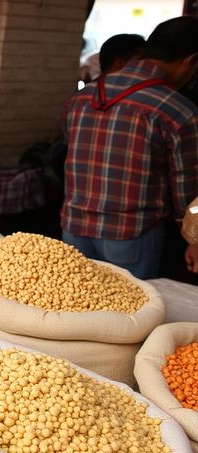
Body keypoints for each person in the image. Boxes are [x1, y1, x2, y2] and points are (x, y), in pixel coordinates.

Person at [62, 17, 198, 279]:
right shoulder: (178, 109)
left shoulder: (80, 98)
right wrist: (195, 237)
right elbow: (188, 191)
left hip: (74, 227)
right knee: (129, 313)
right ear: (190, 61)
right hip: (131, 235)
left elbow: (73, 152)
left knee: (77, 306)